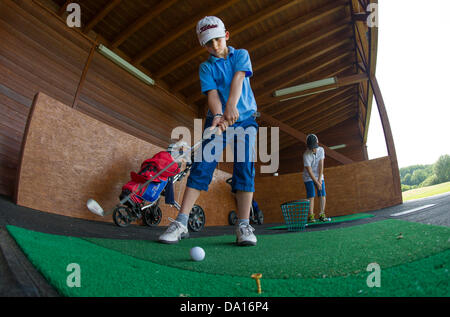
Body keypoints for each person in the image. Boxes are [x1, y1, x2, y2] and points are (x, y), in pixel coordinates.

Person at [158, 16, 259, 246]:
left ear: (227, 35)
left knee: (244, 168)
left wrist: (231, 107)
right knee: (202, 165)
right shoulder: (205, 67)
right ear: (202, 45)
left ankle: (243, 225)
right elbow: (212, 95)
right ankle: (181, 222)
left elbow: (239, 78)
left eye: (217, 39)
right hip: (218, 121)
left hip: (245, 121)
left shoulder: (241, 54)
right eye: (208, 43)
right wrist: (217, 115)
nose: (214, 46)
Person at [303, 134, 329, 222]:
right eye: (311, 147)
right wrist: (316, 182)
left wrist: (319, 179)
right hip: (308, 177)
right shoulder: (306, 155)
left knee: (322, 193)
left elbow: (321, 164)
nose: (313, 149)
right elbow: (309, 171)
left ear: (317, 143)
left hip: (319, 175)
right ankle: (311, 216)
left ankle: (322, 214)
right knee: (311, 195)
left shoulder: (321, 150)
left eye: (314, 147)